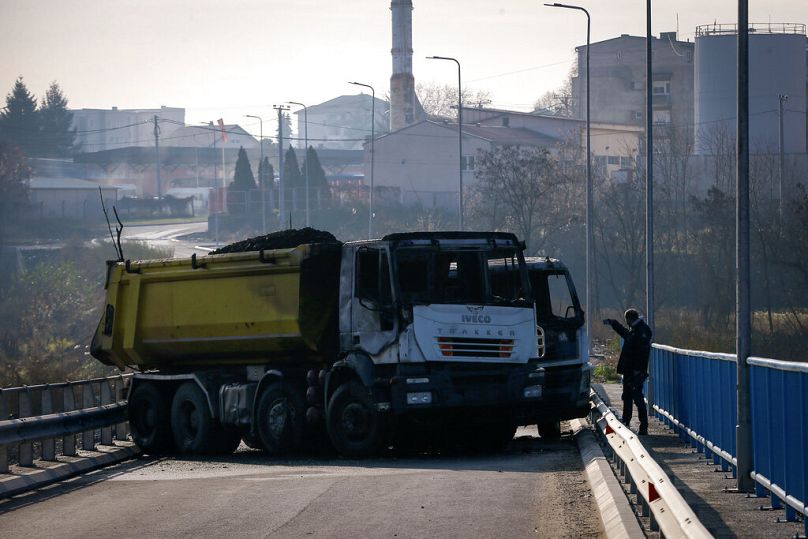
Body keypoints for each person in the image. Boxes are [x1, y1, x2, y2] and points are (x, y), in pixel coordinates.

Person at [604, 309, 652, 435]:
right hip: (630, 370)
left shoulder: (642, 331)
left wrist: (638, 370)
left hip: (636, 371)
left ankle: (643, 426)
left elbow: (642, 352)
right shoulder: (636, 330)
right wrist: (614, 324)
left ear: (629, 319)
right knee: (628, 396)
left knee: (637, 397)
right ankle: (626, 421)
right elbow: (627, 335)